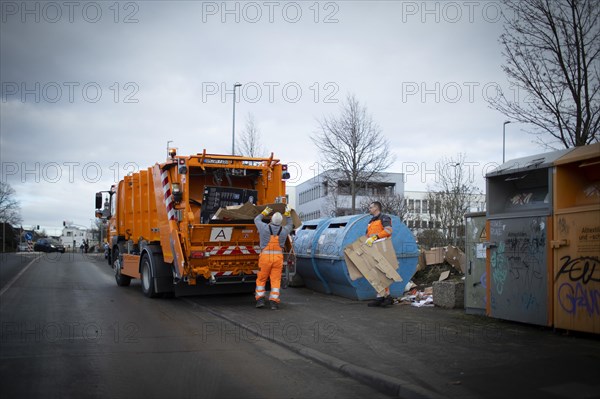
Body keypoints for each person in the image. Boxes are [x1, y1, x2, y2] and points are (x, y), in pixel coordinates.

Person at [254, 205, 293, 310]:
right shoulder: (284, 231)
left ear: (271, 220)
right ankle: (273, 302)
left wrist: (264, 212)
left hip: (265, 259)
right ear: (281, 222)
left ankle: (260, 300)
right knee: (275, 280)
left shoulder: (264, 228)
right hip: (277, 259)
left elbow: (256, 219)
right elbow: (290, 224)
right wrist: (288, 214)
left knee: (261, 279)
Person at [364, 201, 394, 308]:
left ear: (376, 208)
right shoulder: (371, 221)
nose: (369, 209)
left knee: (383, 272)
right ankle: (381, 296)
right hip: (373, 249)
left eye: (371, 207)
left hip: (383, 248)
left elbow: (388, 231)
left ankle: (386, 297)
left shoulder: (384, 218)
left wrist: (375, 237)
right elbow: (367, 235)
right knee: (376, 273)